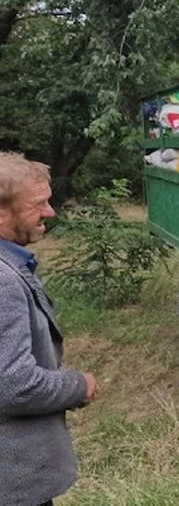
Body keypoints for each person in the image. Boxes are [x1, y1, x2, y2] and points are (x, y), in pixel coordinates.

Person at [0, 152, 98, 506]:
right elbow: (14, 384)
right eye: (38, 204)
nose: (50, 212)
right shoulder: (3, 281)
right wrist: (78, 386)